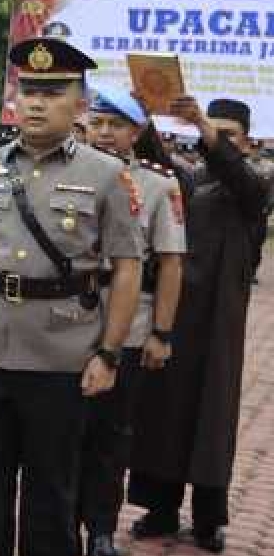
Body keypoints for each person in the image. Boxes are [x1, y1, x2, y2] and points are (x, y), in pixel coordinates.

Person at [0, 37, 143, 556]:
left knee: (50, 497)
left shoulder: (105, 175)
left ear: (80, 102)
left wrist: (109, 352)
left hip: (62, 354)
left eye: (52, 92)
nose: (35, 102)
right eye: (28, 90)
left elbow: (125, 269)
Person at [128, 96, 273, 553]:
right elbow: (154, 158)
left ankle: (209, 520)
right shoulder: (189, 182)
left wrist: (206, 131)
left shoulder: (255, 185)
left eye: (228, 134)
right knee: (163, 413)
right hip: (176, 316)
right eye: (211, 131)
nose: (216, 140)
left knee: (211, 422)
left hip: (221, 327)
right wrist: (142, 116)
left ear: (246, 141)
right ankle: (161, 510)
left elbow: (240, 177)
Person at [78, 86, 186, 556]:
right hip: (67, 319)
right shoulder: (69, 174)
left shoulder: (161, 185)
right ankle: (60, 520)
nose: (105, 133)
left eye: (116, 125)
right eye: (98, 123)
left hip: (130, 323)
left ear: (136, 133)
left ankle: (101, 528)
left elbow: (171, 264)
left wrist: (161, 333)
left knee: (112, 434)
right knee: (61, 430)